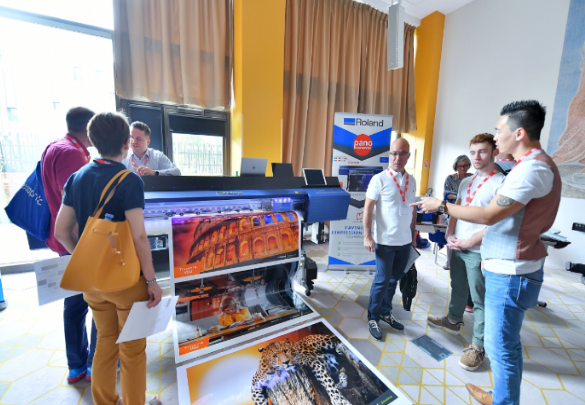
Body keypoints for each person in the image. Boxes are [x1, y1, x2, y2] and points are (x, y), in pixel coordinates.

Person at [413, 100, 561, 405]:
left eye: (498, 130)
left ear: (519, 133)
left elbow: (489, 215)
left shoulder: (531, 169)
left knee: (500, 347)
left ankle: (503, 400)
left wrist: (440, 205)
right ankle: (500, 395)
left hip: (512, 271)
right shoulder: (526, 166)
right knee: (502, 343)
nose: (496, 137)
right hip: (503, 264)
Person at [54, 112, 163, 405]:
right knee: (132, 349)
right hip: (126, 281)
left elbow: (61, 231)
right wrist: (151, 281)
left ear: (93, 141)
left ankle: (106, 401)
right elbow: (139, 238)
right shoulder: (129, 180)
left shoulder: (76, 178)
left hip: (92, 283)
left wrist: (86, 258)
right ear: (127, 143)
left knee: (104, 341)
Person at [427, 133, 505, 372]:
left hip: (479, 249)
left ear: (494, 152)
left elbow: (496, 222)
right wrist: (450, 234)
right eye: (473, 152)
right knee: (458, 286)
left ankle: (478, 346)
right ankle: (453, 320)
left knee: (480, 298)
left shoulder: (501, 183)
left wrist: (470, 242)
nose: (476, 157)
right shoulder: (466, 182)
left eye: (482, 151)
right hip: (457, 245)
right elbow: (455, 211)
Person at [41, 107, 97, 383]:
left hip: (66, 242)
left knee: (75, 304)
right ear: (88, 128)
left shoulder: (55, 147)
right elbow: (76, 203)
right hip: (77, 243)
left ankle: (78, 366)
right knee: (98, 303)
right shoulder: (71, 154)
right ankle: (95, 363)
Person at [363, 138, 417, 340]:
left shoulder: (412, 180)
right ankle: (373, 317)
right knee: (381, 280)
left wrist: (413, 236)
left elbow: (413, 211)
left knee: (393, 280)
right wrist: (368, 236)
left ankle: (386, 312)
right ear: (389, 155)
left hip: (404, 242)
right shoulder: (379, 179)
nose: (397, 157)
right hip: (385, 242)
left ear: (408, 156)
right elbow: (368, 209)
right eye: (394, 153)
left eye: (402, 153)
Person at [442, 155, 472, 269]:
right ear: (456, 167)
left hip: (468, 210)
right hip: (453, 210)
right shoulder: (450, 178)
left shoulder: (472, 177)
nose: (463, 168)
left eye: (465, 165)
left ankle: (463, 260)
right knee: (451, 235)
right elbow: (446, 194)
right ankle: (449, 261)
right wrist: (460, 196)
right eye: (460, 166)